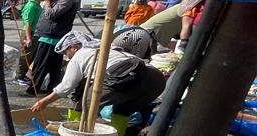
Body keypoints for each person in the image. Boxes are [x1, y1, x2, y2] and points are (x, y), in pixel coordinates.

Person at [30, 31, 166, 120]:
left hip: (125, 76)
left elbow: (66, 87)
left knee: (81, 104)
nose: (66, 57)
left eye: (66, 52)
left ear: (74, 46)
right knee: (123, 110)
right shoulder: (107, 47)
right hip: (156, 79)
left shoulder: (81, 54)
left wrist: (43, 102)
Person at [27, 0, 80, 94]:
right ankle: (50, 89)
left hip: (51, 37)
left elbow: (50, 14)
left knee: (41, 65)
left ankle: (33, 90)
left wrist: (47, 2)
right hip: (50, 36)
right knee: (52, 67)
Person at [16, 0, 44, 85]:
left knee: (31, 55)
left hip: (35, 32)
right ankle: (19, 76)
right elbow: (28, 23)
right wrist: (28, 38)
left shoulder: (37, 5)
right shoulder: (31, 6)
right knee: (26, 55)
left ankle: (23, 75)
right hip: (29, 33)